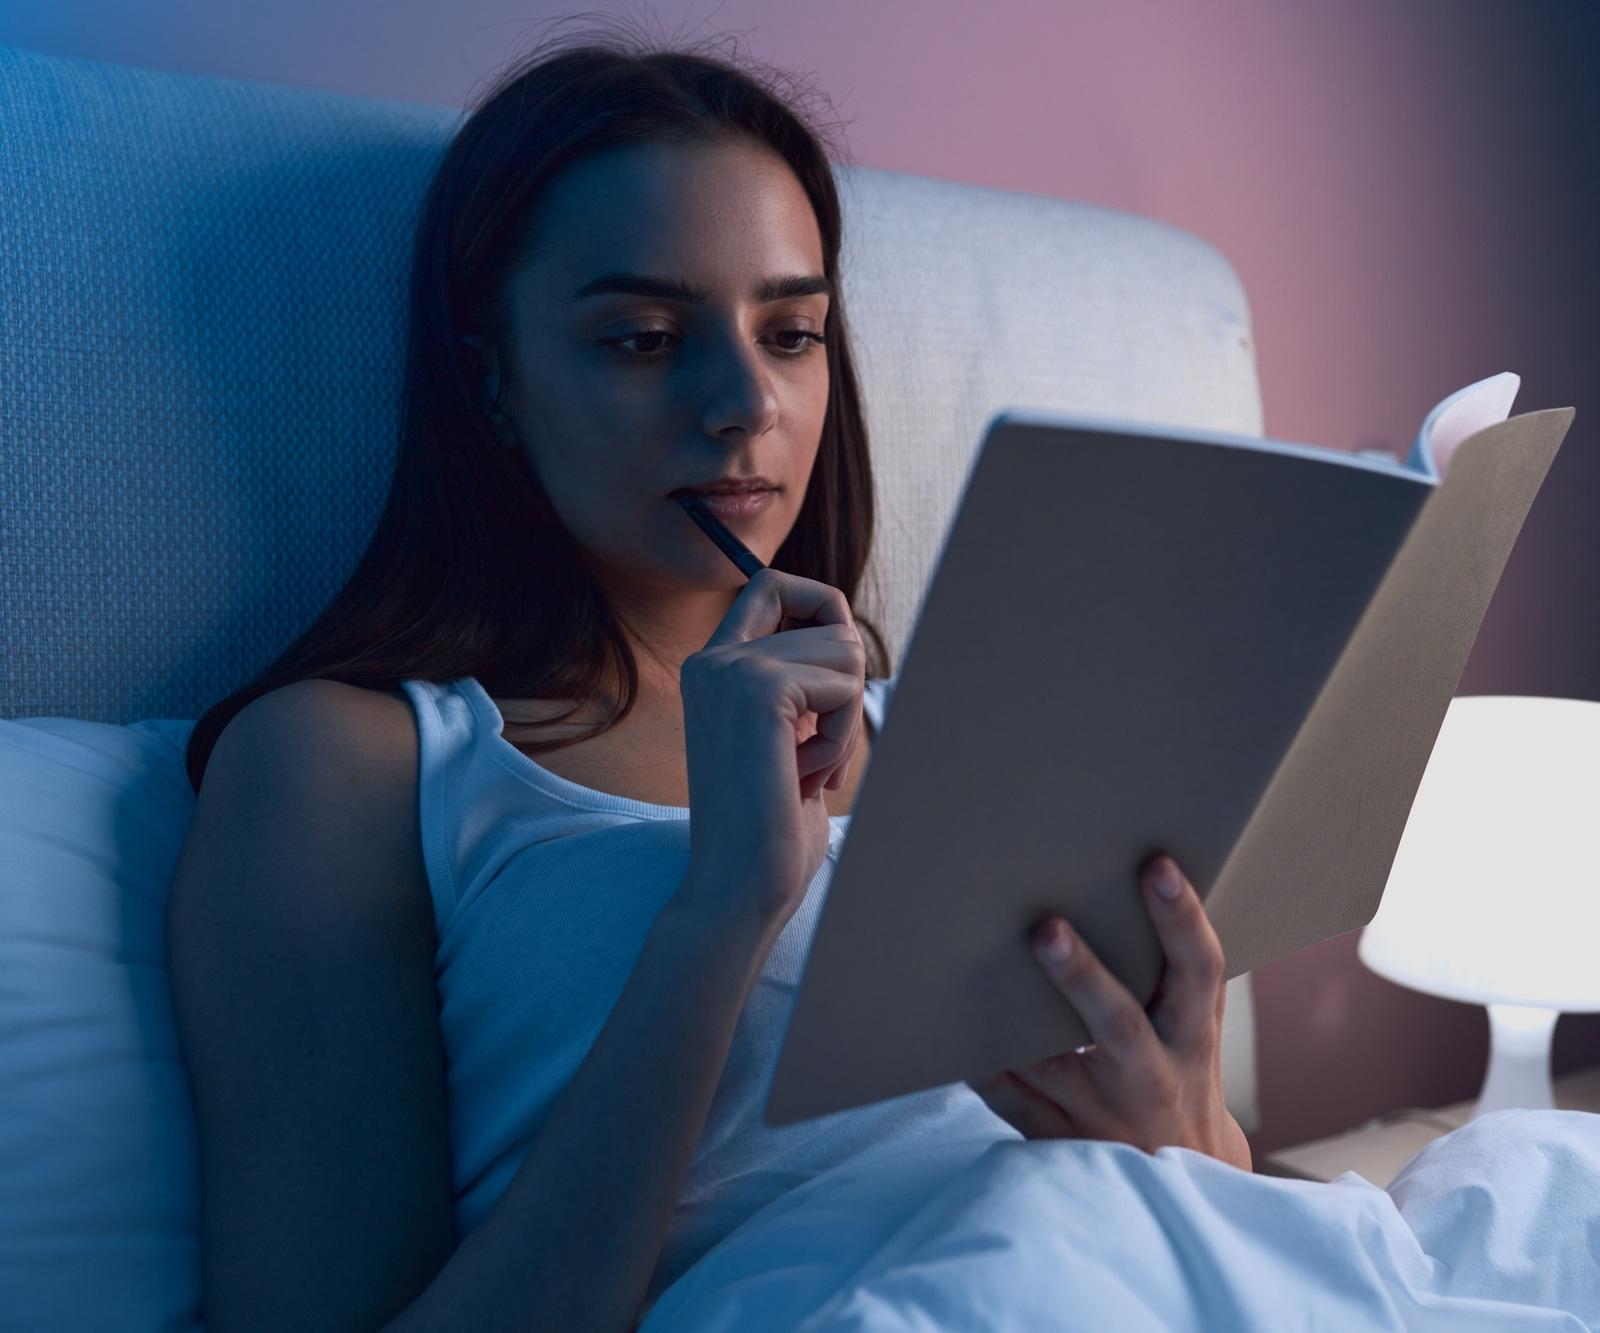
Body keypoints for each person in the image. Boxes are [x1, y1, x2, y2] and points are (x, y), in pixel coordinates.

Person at [164, 25, 1248, 1333]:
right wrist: (720, 910)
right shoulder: (349, 763)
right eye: (640, 338)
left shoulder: (943, 730)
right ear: (493, 378)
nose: (745, 400)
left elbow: (1215, 1206)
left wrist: (1182, 1128)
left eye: (792, 333)